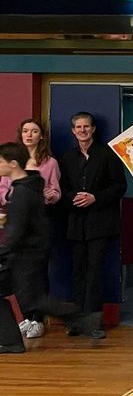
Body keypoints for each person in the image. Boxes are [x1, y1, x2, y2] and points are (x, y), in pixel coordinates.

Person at [0, 142, 79, 353]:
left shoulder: (22, 192)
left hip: (25, 255)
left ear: (13, 164)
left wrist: (3, 251)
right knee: (31, 299)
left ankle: (82, 316)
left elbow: (18, 231)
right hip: (26, 253)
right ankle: (11, 340)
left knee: (34, 300)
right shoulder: (28, 187)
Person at [59, 111, 127, 340]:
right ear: (73, 131)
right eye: (78, 127)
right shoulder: (67, 158)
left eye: (86, 126)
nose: (82, 130)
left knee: (95, 272)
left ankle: (95, 323)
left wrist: (95, 198)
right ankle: (78, 321)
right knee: (78, 273)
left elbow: (119, 186)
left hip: (101, 223)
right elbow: (62, 189)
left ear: (93, 129)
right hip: (76, 224)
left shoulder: (108, 154)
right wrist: (73, 198)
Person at [0, 118, 61, 340]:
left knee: (38, 274)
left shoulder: (49, 163)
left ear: (41, 135)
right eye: (25, 130)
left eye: (34, 131)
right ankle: (25, 318)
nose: (29, 135)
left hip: (38, 224)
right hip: (16, 220)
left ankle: (38, 319)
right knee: (18, 277)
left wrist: (48, 196)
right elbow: (3, 190)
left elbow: (56, 191)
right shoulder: (11, 159)